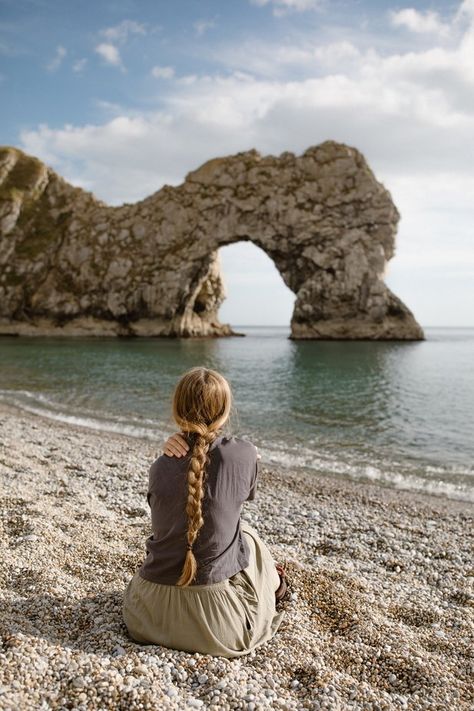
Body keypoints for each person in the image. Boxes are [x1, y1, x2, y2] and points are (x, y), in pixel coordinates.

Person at [122, 366, 287, 658]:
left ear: (177, 411)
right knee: (247, 534)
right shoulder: (242, 453)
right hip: (217, 627)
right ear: (224, 411)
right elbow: (239, 492)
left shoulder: (160, 466)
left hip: (144, 615)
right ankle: (279, 587)